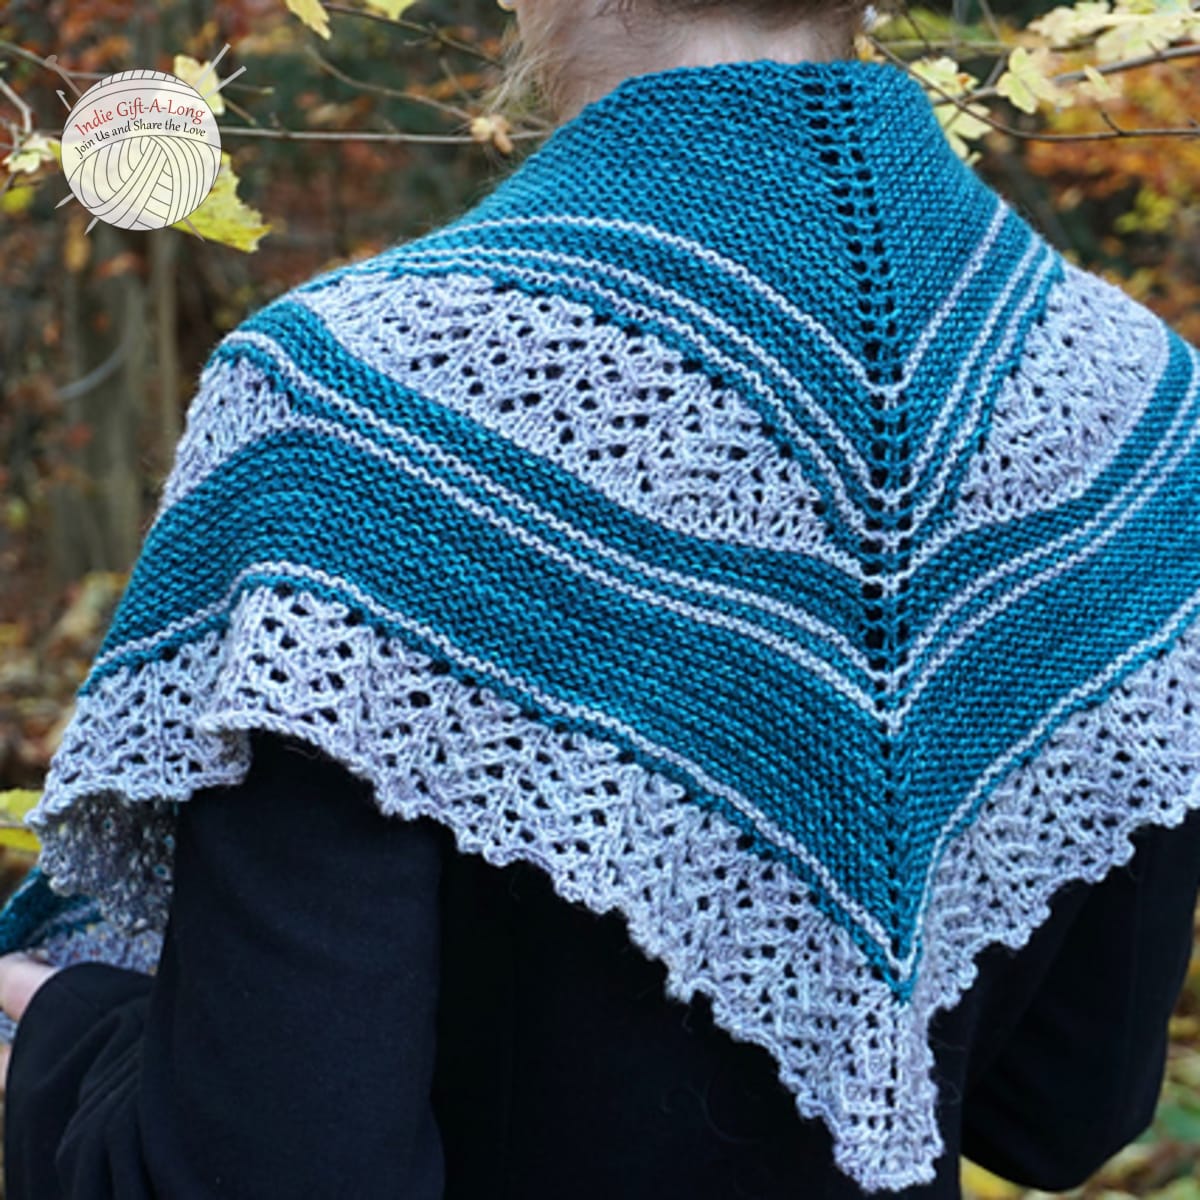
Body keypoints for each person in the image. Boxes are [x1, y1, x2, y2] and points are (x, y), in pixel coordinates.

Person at [3, 0, 1200, 1196]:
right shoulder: (1135, 413)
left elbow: (272, 1169)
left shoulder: (356, 415)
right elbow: (1064, 1105)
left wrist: (61, 1040)